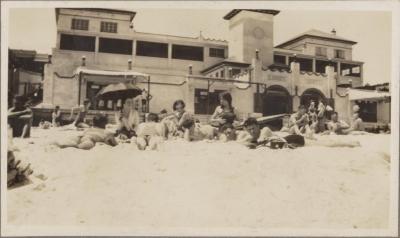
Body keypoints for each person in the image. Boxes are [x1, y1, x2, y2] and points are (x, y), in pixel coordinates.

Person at [52, 116, 118, 150]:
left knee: (75, 141)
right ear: (104, 124)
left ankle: (59, 143)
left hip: (81, 136)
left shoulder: (90, 129)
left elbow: (84, 133)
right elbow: (115, 143)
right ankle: (64, 146)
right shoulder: (106, 132)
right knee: (77, 147)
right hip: (90, 139)